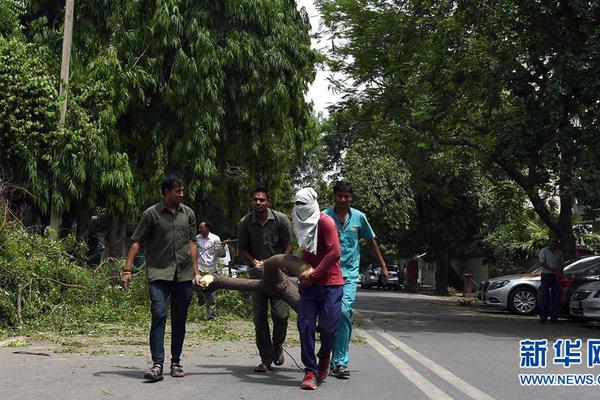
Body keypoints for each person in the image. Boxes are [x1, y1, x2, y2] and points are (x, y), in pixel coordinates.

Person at [121, 175, 200, 382]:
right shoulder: (151, 214)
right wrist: (127, 270)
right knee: (158, 314)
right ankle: (157, 364)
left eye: (182, 191)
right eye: (177, 191)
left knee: (180, 320)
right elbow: (137, 242)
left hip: (183, 275)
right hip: (158, 273)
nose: (181, 194)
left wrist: (197, 271)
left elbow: (192, 243)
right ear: (166, 192)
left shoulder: (188, 213)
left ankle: (175, 362)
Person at [323, 181, 388, 379]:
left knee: (343, 312)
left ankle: (341, 362)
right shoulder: (324, 216)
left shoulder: (359, 218)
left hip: (349, 275)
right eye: (340, 195)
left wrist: (383, 266)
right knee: (329, 317)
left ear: (351, 197)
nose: (343, 199)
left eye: (347, 196)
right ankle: (327, 359)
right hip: (327, 274)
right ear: (334, 196)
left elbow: (371, 242)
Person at [293, 187, 344, 390]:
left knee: (329, 328)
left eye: (303, 204)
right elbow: (303, 250)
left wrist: (314, 275)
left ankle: (324, 358)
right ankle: (310, 371)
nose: (300, 208)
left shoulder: (325, 222)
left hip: (330, 284)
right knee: (305, 326)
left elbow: (334, 253)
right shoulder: (297, 219)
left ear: (313, 203)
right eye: (297, 204)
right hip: (309, 286)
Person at [237, 187, 293, 372]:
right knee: (260, 319)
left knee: (281, 315)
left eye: (262, 200)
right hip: (257, 279)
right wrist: (254, 262)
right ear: (251, 202)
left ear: (268, 202)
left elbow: (289, 246)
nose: (258, 203)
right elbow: (242, 249)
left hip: (279, 278)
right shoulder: (245, 222)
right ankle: (266, 359)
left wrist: (280, 263)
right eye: (255, 200)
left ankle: (277, 346)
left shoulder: (281, 219)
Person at [196, 221, 223, 320]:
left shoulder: (215, 238)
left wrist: (221, 246)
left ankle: (211, 316)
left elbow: (220, 254)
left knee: (211, 293)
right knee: (198, 288)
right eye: (199, 228)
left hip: (211, 269)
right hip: (199, 268)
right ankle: (200, 306)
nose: (199, 230)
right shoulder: (197, 238)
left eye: (201, 228)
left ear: (207, 229)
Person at [538, 236, 564, 323]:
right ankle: (543, 317)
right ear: (548, 242)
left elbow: (562, 265)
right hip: (546, 275)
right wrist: (552, 269)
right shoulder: (544, 251)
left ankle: (554, 317)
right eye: (551, 242)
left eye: (554, 242)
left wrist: (559, 271)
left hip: (555, 276)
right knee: (544, 296)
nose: (553, 243)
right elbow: (542, 263)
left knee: (556, 296)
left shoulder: (559, 252)